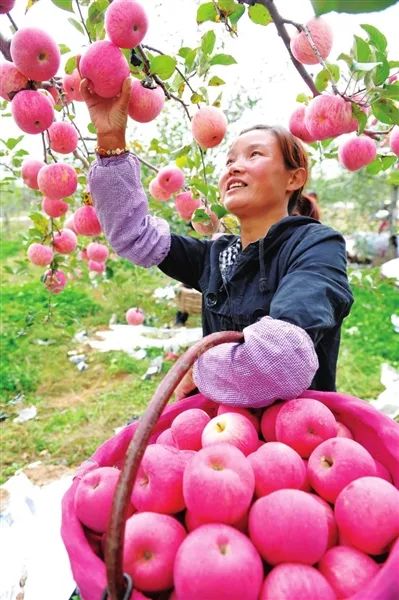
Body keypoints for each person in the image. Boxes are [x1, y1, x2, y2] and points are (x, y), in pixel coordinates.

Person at [80, 76, 354, 407]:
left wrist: (198, 369)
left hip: (295, 440)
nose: (235, 167)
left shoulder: (315, 245)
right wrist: (111, 141)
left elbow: (283, 358)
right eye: (229, 161)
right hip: (220, 434)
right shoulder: (219, 256)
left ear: (293, 178)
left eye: (254, 154)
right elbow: (134, 236)